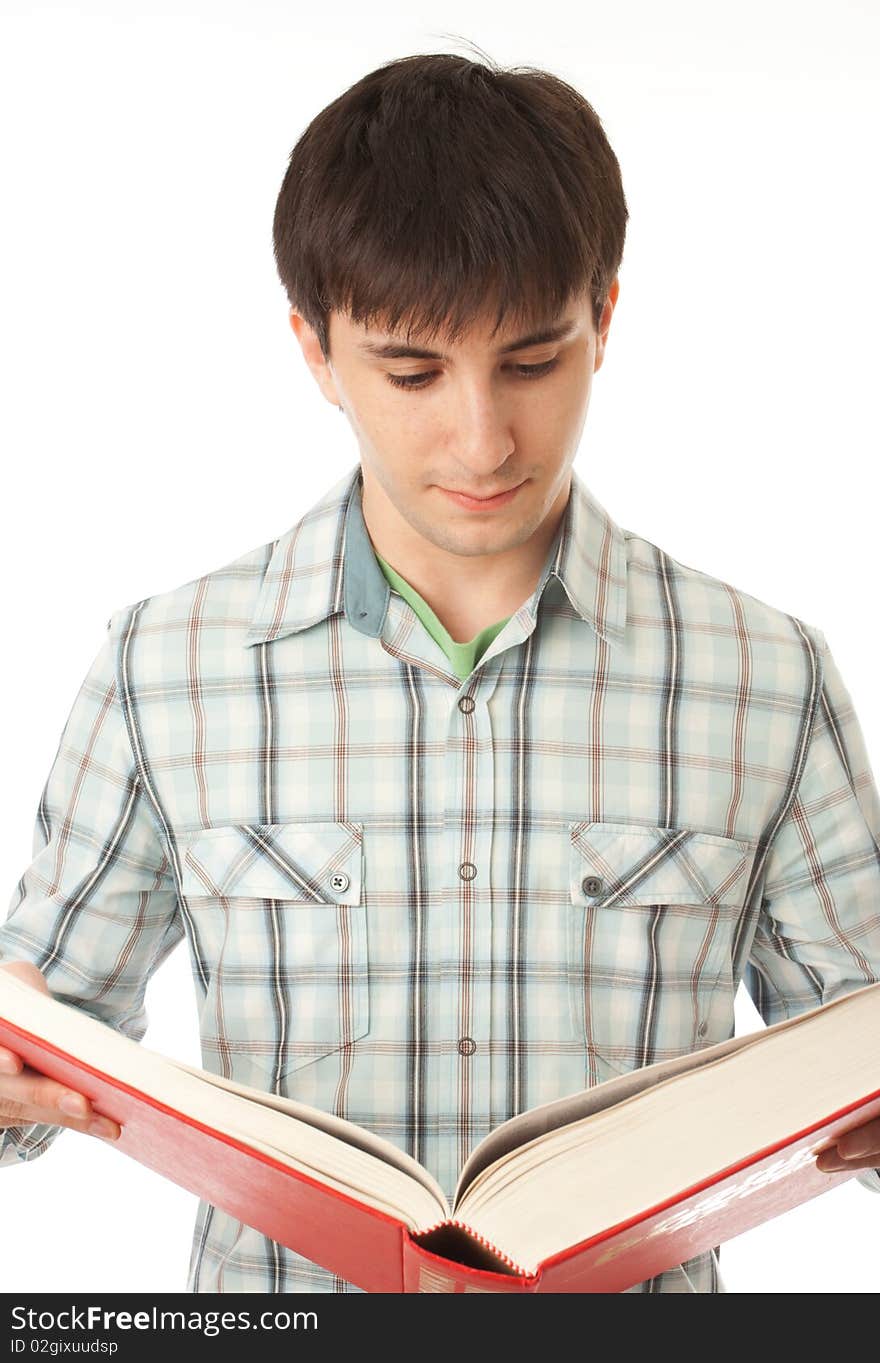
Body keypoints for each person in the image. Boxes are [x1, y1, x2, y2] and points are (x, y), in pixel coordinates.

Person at [1, 49, 879, 1296]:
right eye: (411, 373)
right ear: (314, 348)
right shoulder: (163, 669)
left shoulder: (764, 678)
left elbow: (854, 1049)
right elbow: (44, 1062)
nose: (481, 438)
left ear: (604, 321)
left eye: (532, 361)